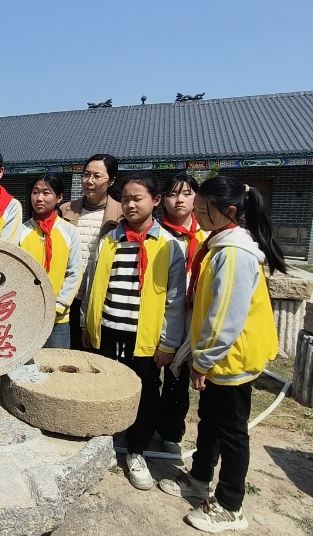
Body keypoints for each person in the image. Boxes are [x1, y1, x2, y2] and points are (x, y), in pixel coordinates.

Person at [157, 176, 286, 533]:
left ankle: (230, 505)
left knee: (231, 432)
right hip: (218, 356)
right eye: (196, 209)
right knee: (210, 421)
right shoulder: (219, 243)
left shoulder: (234, 253)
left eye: (203, 211)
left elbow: (226, 316)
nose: (196, 216)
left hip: (231, 356)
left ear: (229, 211)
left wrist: (202, 361)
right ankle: (200, 478)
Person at [81, 172, 186, 492]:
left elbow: (174, 300)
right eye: (125, 199)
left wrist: (168, 343)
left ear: (156, 200)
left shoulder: (169, 245)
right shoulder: (110, 240)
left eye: (137, 198)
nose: (129, 205)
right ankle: (106, 441)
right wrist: (87, 323)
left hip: (144, 337)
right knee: (106, 388)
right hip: (109, 330)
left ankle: (136, 450)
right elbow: (93, 285)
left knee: (144, 393)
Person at [156, 173, 207, 456]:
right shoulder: (155, 233)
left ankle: (171, 433)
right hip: (159, 315)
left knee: (178, 380)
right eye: (173, 194)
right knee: (151, 376)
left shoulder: (206, 234)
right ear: (162, 199)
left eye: (186, 194)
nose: (179, 200)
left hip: (191, 316)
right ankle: (146, 425)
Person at [59, 154, 123, 350]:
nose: (89, 181)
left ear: (111, 181)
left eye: (97, 176)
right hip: (66, 294)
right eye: (86, 175)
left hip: (99, 297)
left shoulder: (122, 215)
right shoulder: (64, 210)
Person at [17, 174, 83, 348]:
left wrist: (58, 306)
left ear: (59, 198)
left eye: (46, 193)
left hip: (58, 318)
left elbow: (74, 272)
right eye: (35, 192)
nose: (39, 198)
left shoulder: (69, 232)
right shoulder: (21, 231)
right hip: (26, 316)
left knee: (57, 363)